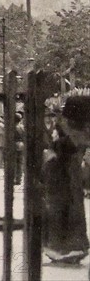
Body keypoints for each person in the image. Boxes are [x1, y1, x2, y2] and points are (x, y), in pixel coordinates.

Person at [42, 95, 90, 265]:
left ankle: (60, 247)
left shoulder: (67, 128)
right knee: (70, 208)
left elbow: (61, 148)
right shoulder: (80, 129)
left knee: (59, 208)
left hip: (62, 173)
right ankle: (74, 246)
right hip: (70, 173)